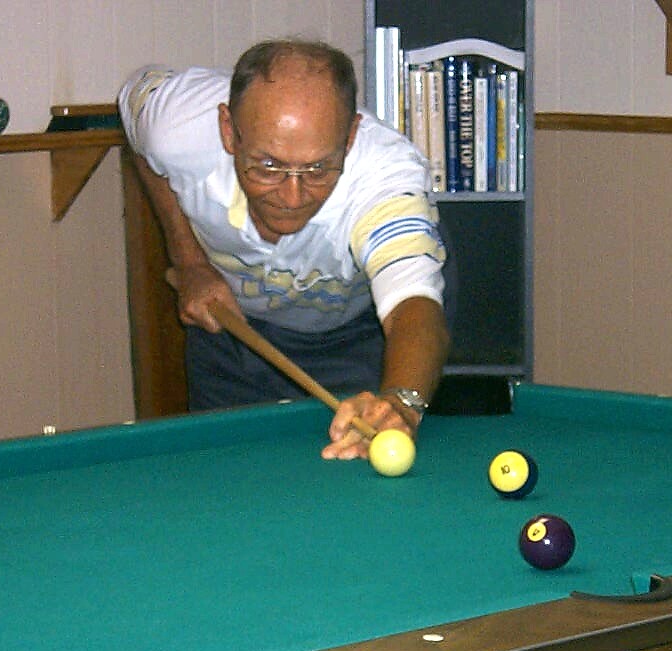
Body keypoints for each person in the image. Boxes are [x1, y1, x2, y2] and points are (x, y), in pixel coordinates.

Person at [118, 39, 449, 460]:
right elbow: (140, 132)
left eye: (317, 168)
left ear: (350, 138)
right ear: (227, 130)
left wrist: (400, 402)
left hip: (357, 333)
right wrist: (189, 261)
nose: (292, 197)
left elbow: (413, 308)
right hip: (232, 327)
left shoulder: (384, 176)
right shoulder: (177, 125)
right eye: (268, 166)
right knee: (225, 472)